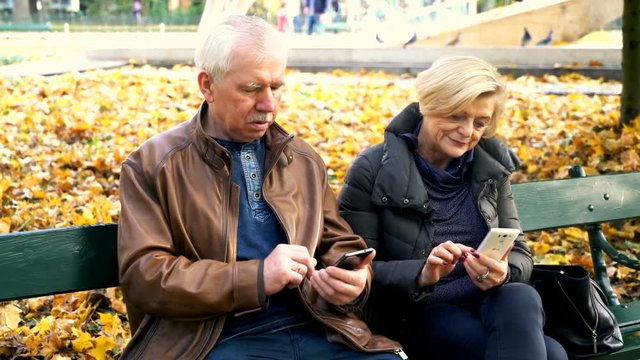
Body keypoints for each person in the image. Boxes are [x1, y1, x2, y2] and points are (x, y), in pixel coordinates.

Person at [117, 15, 405, 360]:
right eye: (252, 89)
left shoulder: (301, 158)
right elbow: (145, 276)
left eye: (277, 87)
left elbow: (335, 242)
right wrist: (257, 277)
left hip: (316, 327)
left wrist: (353, 280)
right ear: (207, 85)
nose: (269, 104)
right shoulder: (153, 164)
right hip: (213, 340)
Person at [338, 55, 568, 360]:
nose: (467, 131)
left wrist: (503, 272)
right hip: (418, 311)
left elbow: (521, 253)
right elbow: (355, 266)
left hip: (490, 302)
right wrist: (423, 272)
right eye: (456, 116)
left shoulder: (491, 167)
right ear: (429, 105)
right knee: (553, 354)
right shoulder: (373, 169)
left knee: (520, 294)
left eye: (480, 122)